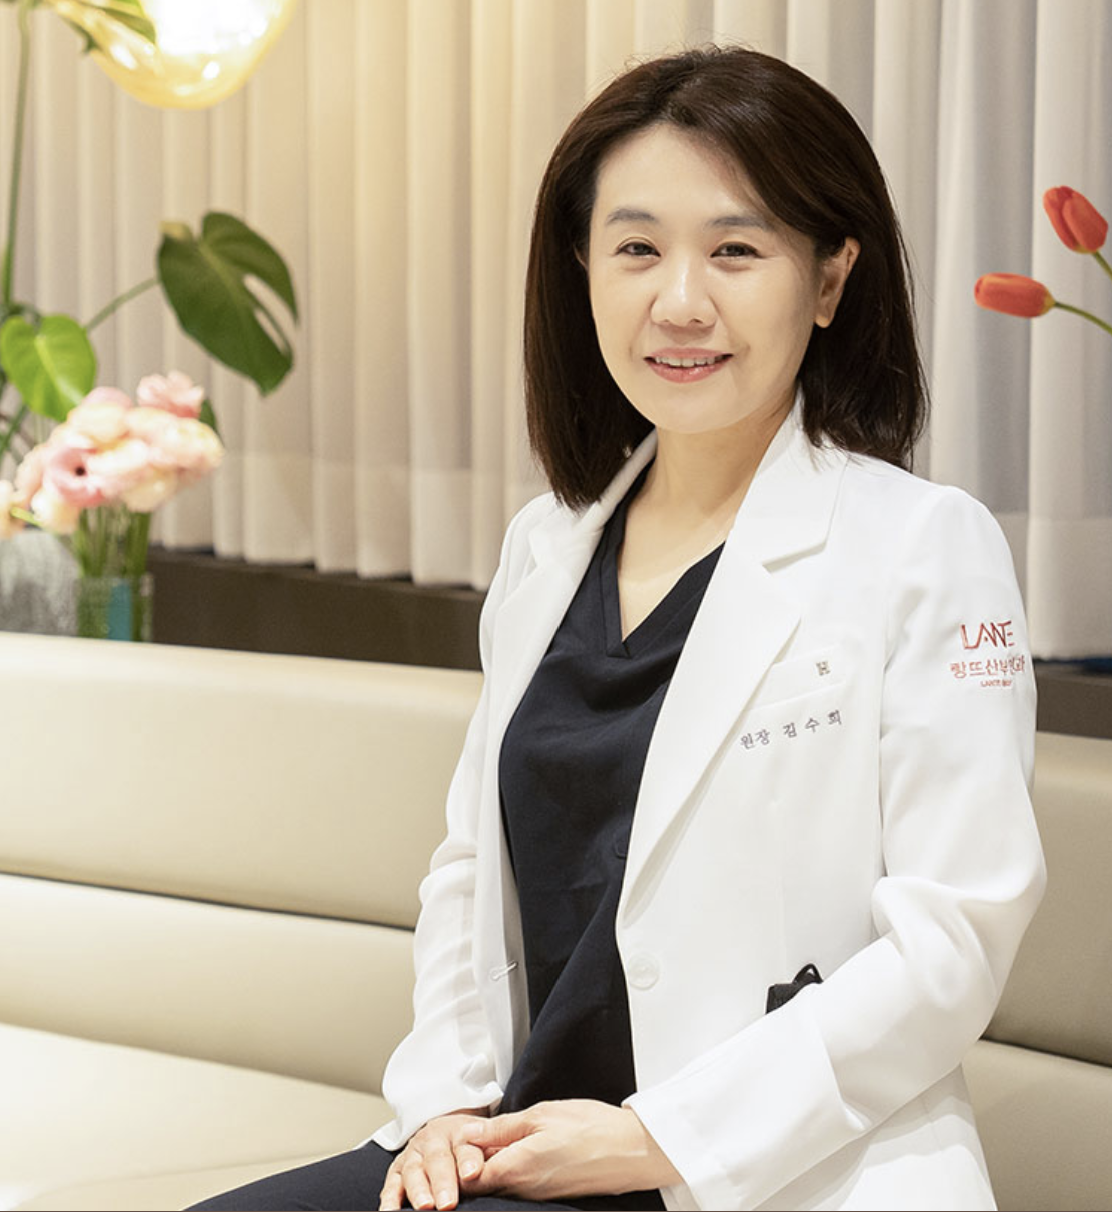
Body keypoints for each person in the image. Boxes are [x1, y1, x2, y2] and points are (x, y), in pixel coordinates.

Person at [192, 44, 1045, 1212]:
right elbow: (466, 871)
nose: (678, 301)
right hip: (515, 1144)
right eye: (636, 248)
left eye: (735, 250)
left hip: (755, 1167)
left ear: (828, 278)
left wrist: (660, 1139)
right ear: (582, 268)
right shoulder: (546, 545)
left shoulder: (921, 546)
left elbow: (953, 939)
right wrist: (441, 1107)